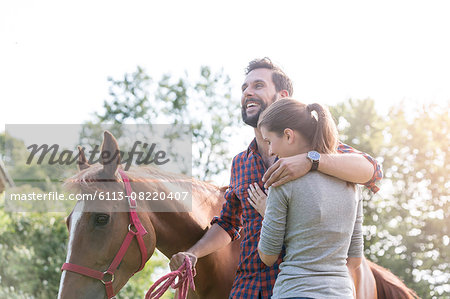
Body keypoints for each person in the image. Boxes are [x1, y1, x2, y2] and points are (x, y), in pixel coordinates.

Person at [170, 58, 382, 298]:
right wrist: (193, 253)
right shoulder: (241, 162)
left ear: (283, 96)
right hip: (248, 287)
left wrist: (311, 161)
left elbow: (373, 171)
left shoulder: (322, 149)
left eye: (258, 85)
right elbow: (229, 224)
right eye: (244, 88)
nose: (248, 92)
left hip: (301, 286)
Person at [257, 98, 362, 299]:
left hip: (295, 291)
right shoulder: (351, 183)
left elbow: (268, 256)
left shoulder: (282, 183)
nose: (270, 151)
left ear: (288, 135)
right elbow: (355, 259)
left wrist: (267, 214)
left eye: (269, 141)